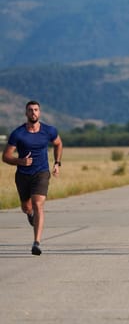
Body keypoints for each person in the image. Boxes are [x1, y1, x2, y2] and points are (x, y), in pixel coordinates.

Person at [2, 100, 63, 256]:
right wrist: (20, 161)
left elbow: (58, 143)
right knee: (26, 207)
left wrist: (57, 163)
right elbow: (6, 156)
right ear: (26, 113)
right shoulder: (18, 133)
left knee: (38, 204)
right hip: (23, 175)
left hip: (41, 173)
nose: (33, 112)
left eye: (36, 110)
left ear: (39, 112)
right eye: (30, 110)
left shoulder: (49, 130)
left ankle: (36, 242)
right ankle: (29, 215)